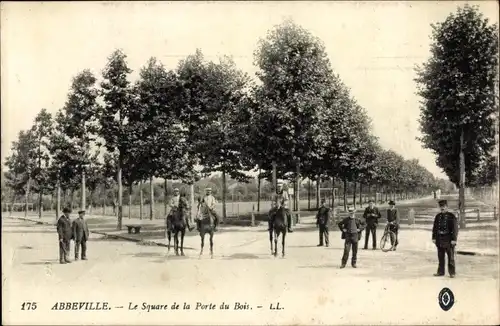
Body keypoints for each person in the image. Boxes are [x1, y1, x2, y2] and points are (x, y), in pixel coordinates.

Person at [432, 199, 458, 278]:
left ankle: (452, 273)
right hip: (439, 238)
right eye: (441, 207)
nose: (442, 208)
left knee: (451, 257)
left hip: (448, 239)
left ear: (447, 207)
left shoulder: (451, 216)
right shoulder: (438, 216)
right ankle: (440, 272)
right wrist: (434, 237)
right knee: (440, 257)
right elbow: (435, 228)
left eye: (443, 206)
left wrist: (454, 239)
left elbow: (455, 229)